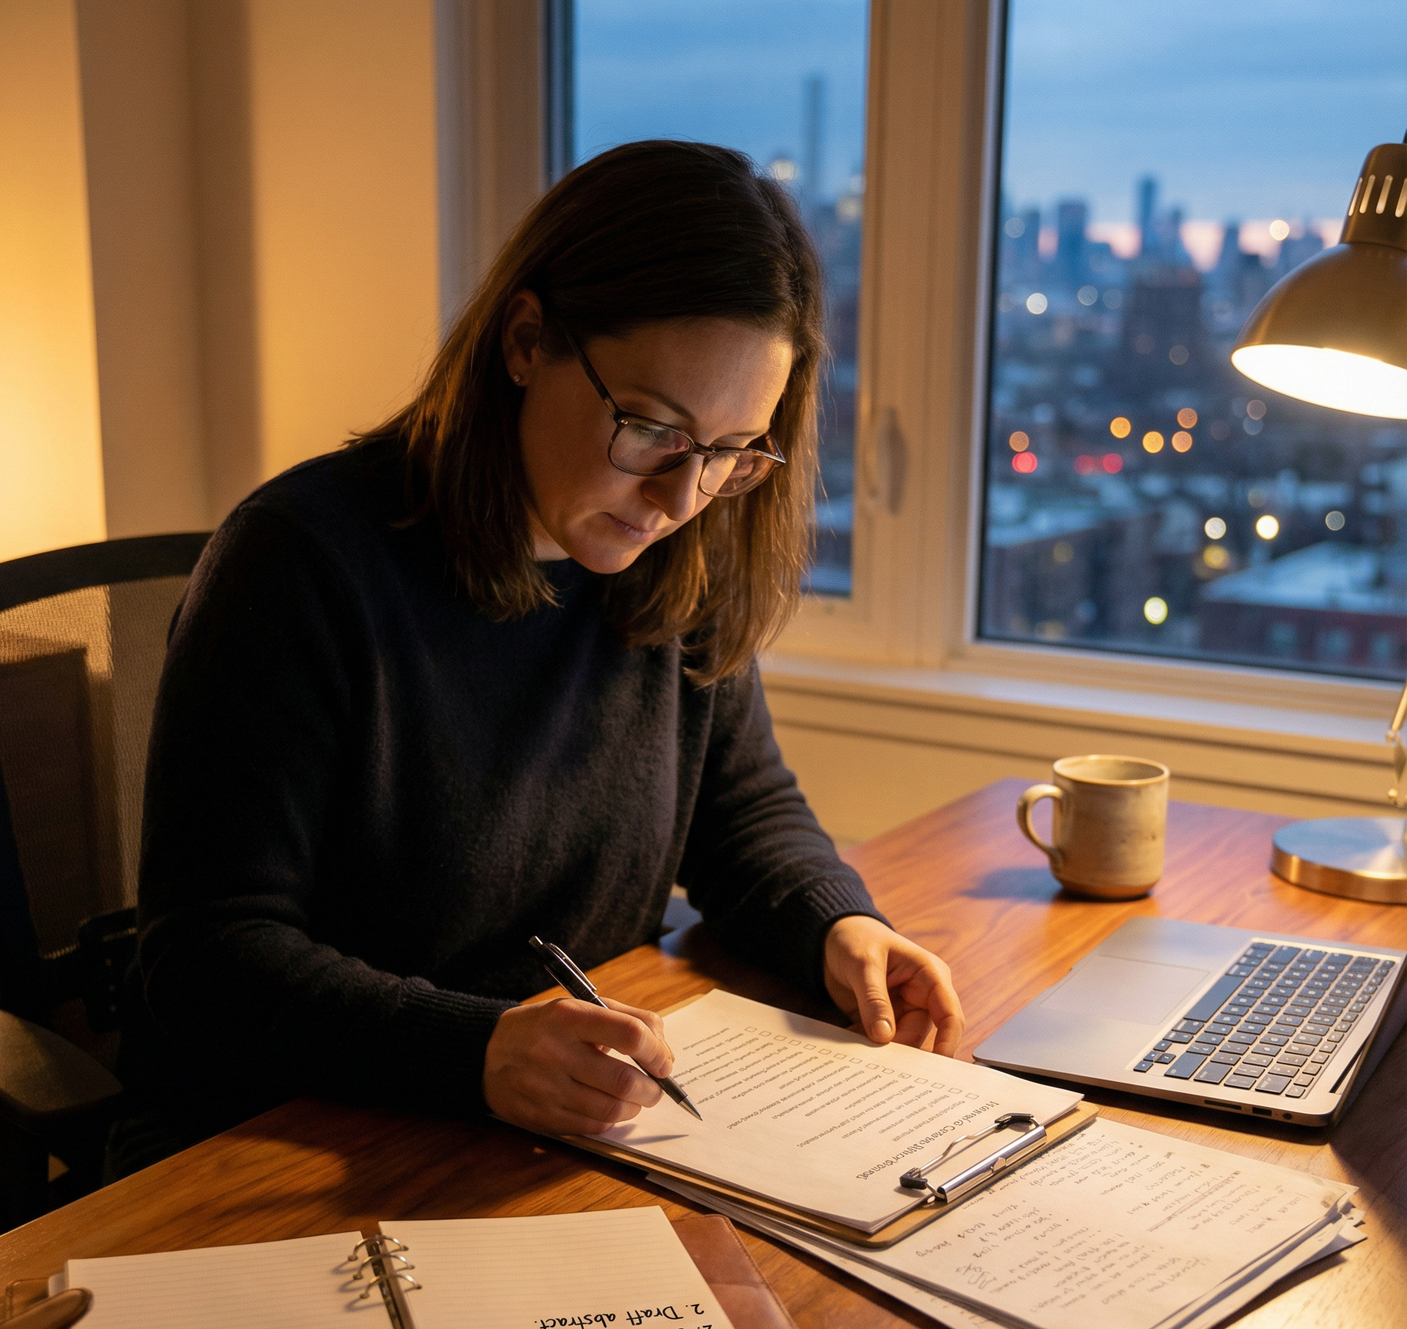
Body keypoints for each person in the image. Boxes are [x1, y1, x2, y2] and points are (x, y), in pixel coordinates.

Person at [113, 140, 962, 1176]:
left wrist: (841, 926)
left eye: (732, 451)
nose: (681, 498)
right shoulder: (300, 564)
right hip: (305, 1132)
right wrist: (474, 1048)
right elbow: (208, 958)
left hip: (562, 1120)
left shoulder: (676, 554)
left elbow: (740, 813)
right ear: (526, 340)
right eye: (652, 428)